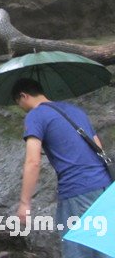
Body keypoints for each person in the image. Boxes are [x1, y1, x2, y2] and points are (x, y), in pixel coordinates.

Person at [12, 78, 111, 258]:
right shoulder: (75, 111)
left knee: (78, 250)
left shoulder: (35, 115)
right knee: (105, 249)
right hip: (104, 186)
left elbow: (33, 161)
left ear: (23, 96)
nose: (21, 107)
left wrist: (25, 203)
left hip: (77, 190)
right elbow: (98, 147)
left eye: (18, 103)